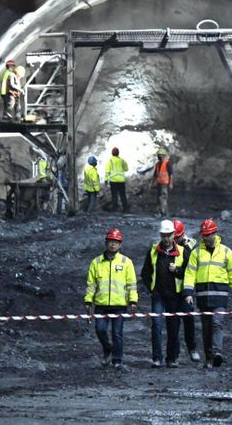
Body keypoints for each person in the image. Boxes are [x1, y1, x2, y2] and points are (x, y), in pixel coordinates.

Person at [184, 219, 232, 368]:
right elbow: (190, 273)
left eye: (208, 234)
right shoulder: (196, 252)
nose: (206, 237)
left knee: (217, 323)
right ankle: (209, 358)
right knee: (206, 328)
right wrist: (188, 292)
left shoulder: (226, 252)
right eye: (204, 235)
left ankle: (217, 352)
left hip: (220, 296)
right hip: (203, 297)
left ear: (215, 233)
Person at [84, 228, 138, 370]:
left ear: (120, 244)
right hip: (101, 304)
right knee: (100, 330)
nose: (113, 244)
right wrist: (88, 301)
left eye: (116, 242)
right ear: (106, 243)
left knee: (117, 333)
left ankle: (117, 360)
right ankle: (108, 348)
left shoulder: (127, 262)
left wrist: (133, 301)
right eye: (111, 241)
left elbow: (131, 284)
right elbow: (91, 284)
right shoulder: (96, 263)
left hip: (119, 304)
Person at [140, 220, 188, 368]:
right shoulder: (154, 251)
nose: (166, 238)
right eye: (163, 235)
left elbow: (190, 274)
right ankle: (157, 358)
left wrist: (177, 271)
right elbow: (145, 273)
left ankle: (172, 358)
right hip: (159, 296)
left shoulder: (182, 252)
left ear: (174, 234)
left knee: (173, 328)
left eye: (168, 235)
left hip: (175, 297)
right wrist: (152, 289)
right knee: (156, 326)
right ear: (160, 235)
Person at [173, 219, 200, 362]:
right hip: (172, 290)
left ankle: (192, 349)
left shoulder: (192, 245)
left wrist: (177, 270)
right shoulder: (168, 246)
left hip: (186, 289)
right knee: (174, 323)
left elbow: (192, 268)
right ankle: (175, 354)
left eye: (176, 238)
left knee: (189, 320)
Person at [150, 148, 173, 217]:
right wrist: (151, 183)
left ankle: (162, 212)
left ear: (164, 156)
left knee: (163, 198)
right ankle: (164, 212)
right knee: (159, 198)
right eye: (158, 155)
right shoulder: (157, 164)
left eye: (160, 155)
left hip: (165, 183)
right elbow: (155, 175)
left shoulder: (167, 163)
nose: (159, 157)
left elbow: (171, 174)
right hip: (159, 183)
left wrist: (171, 183)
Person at [105, 147, 129, 212]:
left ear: (112, 153)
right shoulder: (122, 160)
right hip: (121, 180)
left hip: (113, 180)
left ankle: (114, 209)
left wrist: (106, 180)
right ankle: (125, 208)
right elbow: (126, 169)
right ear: (118, 153)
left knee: (114, 195)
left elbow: (107, 171)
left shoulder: (110, 161)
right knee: (122, 195)